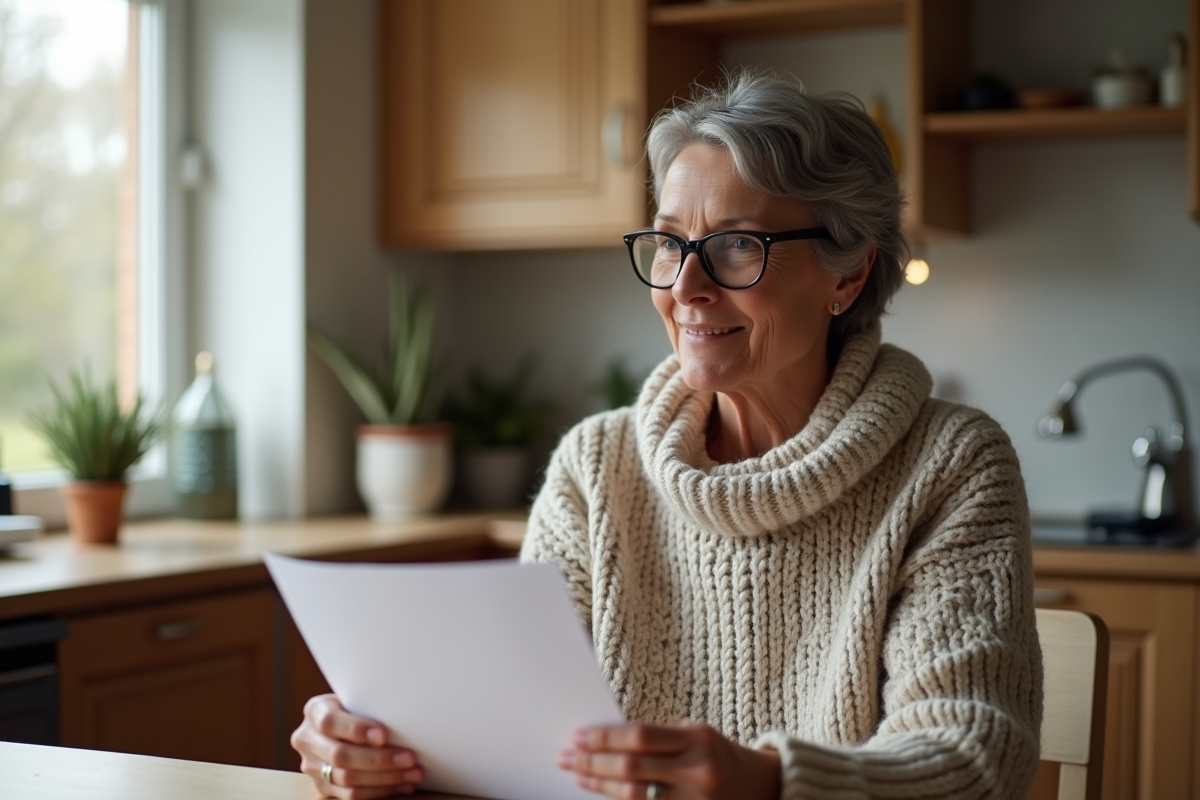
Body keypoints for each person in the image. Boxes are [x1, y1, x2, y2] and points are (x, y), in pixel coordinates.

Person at [291, 69, 1043, 800]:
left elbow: (973, 756)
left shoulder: (950, 464)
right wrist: (377, 750)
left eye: (738, 244)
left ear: (847, 275)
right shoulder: (597, 465)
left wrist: (773, 784)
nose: (685, 286)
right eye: (670, 242)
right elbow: (506, 725)